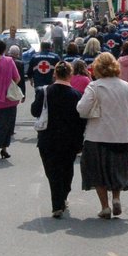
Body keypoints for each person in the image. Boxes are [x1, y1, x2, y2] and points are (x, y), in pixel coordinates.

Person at [76, 51, 128, 218]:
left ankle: (105, 206)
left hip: (98, 135)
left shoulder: (94, 86)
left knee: (97, 171)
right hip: (122, 135)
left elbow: (82, 109)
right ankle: (116, 198)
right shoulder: (127, 87)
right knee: (117, 168)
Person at [32, 61, 86, 218]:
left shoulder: (44, 92)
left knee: (52, 172)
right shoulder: (77, 95)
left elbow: (35, 111)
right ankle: (63, 196)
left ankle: (57, 203)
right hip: (69, 140)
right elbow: (81, 120)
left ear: (54, 74)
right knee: (67, 170)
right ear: (70, 75)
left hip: (47, 139)